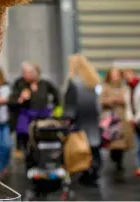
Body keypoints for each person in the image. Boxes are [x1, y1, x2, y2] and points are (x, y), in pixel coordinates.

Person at [63, 54, 102, 185]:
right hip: (93, 118)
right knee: (94, 146)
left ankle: (86, 171)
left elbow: (70, 105)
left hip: (80, 119)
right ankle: (94, 171)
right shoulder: (93, 80)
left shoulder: (73, 81)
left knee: (82, 147)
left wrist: (67, 118)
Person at [10, 61, 60, 159]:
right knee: (22, 128)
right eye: (24, 73)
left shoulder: (45, 84)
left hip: (42, 115)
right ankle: (22, 149)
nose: (26, 75)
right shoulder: (20, 83)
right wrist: (21, 98)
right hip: (26, 114)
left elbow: (57, 96)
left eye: (29, 73)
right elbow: (12, 99)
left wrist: (54, 109)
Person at [100, 67, 134, 173]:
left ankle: (120, 161)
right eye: (113, 75)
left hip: (122, 118)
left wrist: (123, 100)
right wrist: (111, 100)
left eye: (117, 75)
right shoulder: (105, 87)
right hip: (110, 118)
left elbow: (130, 100)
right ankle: (114, 156)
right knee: (113, 141)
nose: (115, 77)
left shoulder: (125, 87)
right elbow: (101, 100)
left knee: (122, 141)